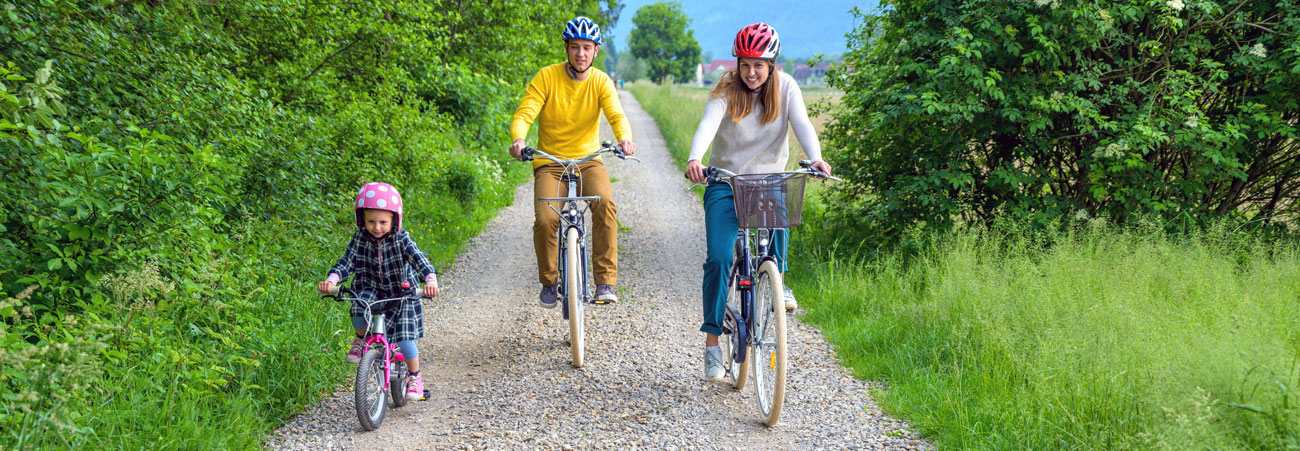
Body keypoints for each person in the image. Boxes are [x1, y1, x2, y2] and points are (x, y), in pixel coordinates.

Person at [683, 23, 833, 382]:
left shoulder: (787, 88)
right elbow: (708, 123)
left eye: (759, 65)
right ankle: (711, 345)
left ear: (772, 65)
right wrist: (694, 158)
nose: (751, 72)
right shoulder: (726, 86)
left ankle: (776, 277)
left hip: (767, 181)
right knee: (719, 258)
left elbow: (803, 125)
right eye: (746, 64)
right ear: (737, 63)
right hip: (725, 181)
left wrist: (815, 157)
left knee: (781, 199)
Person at [509, 16, 637, 308]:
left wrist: (625, 138)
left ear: (595, 51)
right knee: (546, 218)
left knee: (604, 202)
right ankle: (549, 281)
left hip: (589, 160)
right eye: (575, 47)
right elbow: (525, 113)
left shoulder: (601, 80)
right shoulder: (547, 76)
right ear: (566, 48)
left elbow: (616, 115)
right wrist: (519, 139)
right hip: (550, 160)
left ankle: (605, 281)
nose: (581, 53)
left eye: (587, 48)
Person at [318, 182, 439, 400]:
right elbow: (347, 262)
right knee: (357, 307)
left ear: (394, 219)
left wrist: (430, 280)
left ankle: (414, 376)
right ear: (361, 220)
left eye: (383, 222)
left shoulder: (401, 239)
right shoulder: (360, 239)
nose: (377, 227)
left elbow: (418, 259)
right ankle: (361, 340)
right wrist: (332, 279)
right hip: (370, 287)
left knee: (404, 337)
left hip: (401, 292)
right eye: (371, 221)